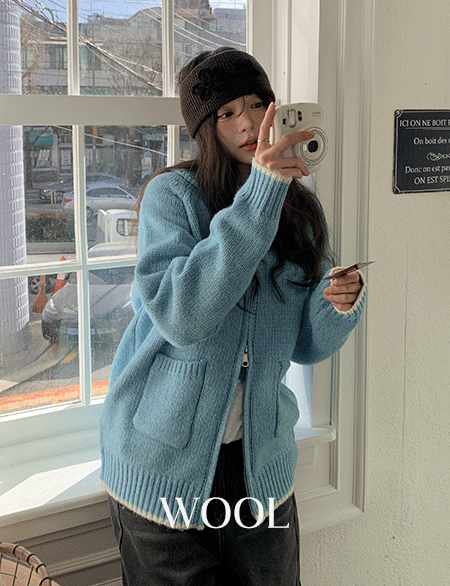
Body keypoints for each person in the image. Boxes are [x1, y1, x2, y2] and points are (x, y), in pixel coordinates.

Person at [100, 47, 367, 586]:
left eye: (256, 104)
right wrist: (260, 198)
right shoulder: (172, 197)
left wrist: (337, 304)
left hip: (258, 470)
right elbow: (181, 317)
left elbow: (304, 346)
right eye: (226, 113)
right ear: (205, 128)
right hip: (161, 469)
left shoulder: (300, 210)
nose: (246, 123)